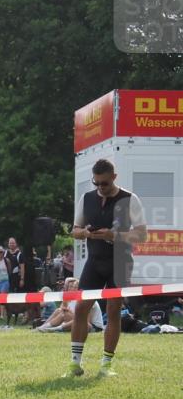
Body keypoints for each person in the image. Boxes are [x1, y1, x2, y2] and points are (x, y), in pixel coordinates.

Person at [66, 159, 147, 377]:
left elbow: (142, 234)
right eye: (96, 183)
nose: (100, 188)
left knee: (113, 311)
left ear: (114, 177)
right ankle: (74, 363)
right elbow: (74, 230)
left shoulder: (130, 199)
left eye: (104, 183)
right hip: (95, 260)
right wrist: (84, 233)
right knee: (81, 307)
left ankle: (106, 365)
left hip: (120, 261)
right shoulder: (87, 198)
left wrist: (115, 236)